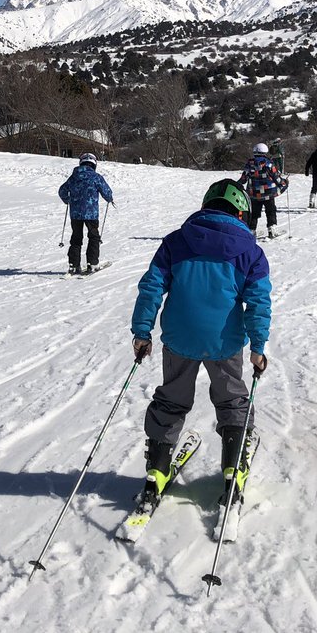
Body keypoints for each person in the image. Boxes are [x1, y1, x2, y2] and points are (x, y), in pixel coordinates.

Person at [130, 178, 270, 510]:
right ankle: (233, 468)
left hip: (179, 338)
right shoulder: (251, 252)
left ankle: (156, 471)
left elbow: (152, 286)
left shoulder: (176, 242)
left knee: (172, 399)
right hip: (224, 341)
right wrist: (258, 347)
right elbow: (259, 302)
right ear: (240, 212)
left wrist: (142, 332)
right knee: (232, 398)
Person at [57, 153, 114, 275]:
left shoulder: (73, 177)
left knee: (76, 238)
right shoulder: (96, 177)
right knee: (93, 237)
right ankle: (92, 264)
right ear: (94, 164)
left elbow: (62, 191)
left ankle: (73, 265)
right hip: (91, 214)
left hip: (75, 214)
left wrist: (67, 200)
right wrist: (109, 198)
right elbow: (107, 192)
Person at [238, 142, 288, 238]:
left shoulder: (249, 164)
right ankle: (272, 230)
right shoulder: (269, 163)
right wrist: (284, 183)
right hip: (268, 193)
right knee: (271, 210)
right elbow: (276, 177)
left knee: (254, 212)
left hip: (254, 193)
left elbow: (243, 179)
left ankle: (251, 231)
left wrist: (238, 184)